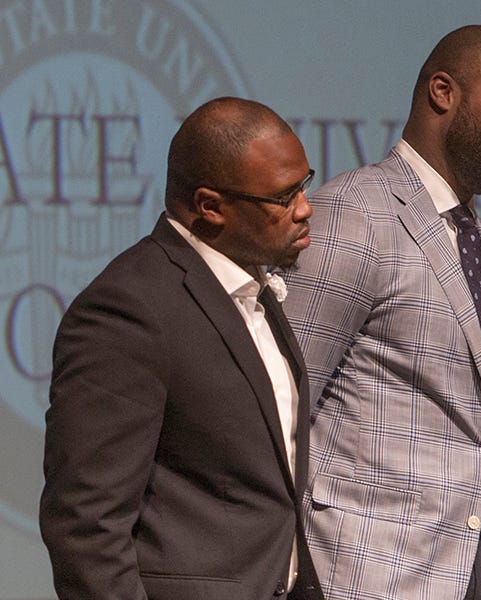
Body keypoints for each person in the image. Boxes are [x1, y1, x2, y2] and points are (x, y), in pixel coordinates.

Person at [281, 25, 481, 599]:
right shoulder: (353, 213)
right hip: (365, 570)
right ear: (443, 92)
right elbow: (281, 407)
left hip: (479, 573)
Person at [40, 97, 324, 600]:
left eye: (303, 185)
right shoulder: (130, 309)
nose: (304, 209)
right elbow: (86, 526)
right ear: (210, 206)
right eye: (283, 197)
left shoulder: (254, 289)